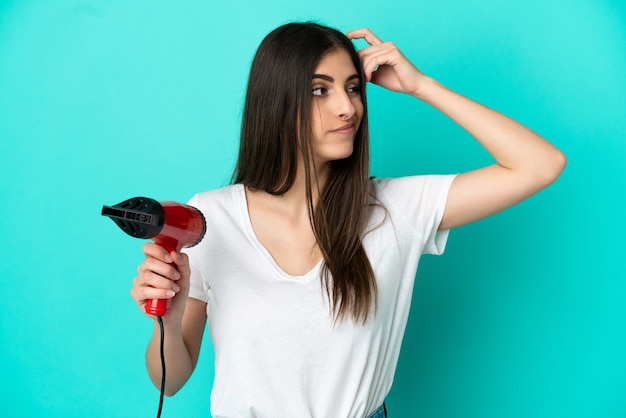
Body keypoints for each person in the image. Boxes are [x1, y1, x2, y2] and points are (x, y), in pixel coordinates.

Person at [130, 22, 566, 417]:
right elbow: (170, 379)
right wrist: (168, 319)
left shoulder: (397, 209)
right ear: (276, 102)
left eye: (354, 87)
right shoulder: (209, 218)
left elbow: (541, 164)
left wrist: (422, 87)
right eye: (321, 90)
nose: (348, 108)